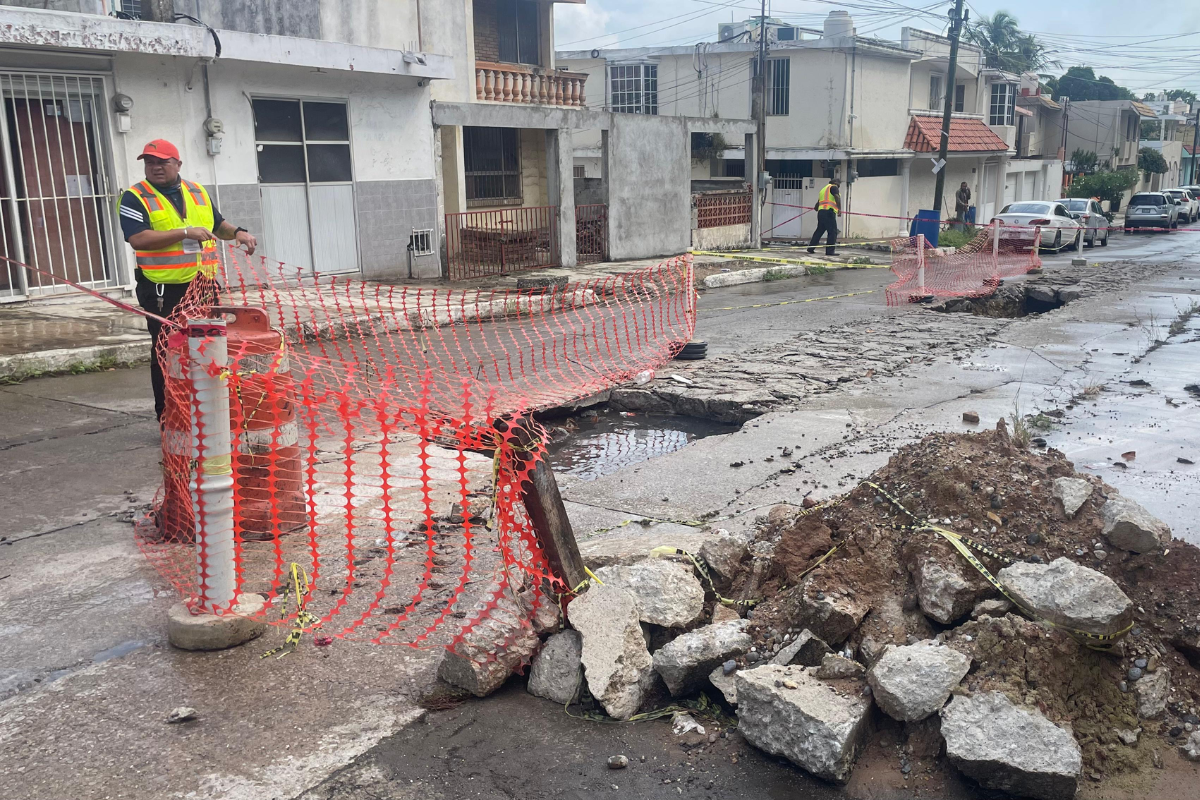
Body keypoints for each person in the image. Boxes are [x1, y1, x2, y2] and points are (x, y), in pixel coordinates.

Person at [119, 139, 258, 421]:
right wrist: (184, 232)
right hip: (163, 291)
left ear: (177, 164)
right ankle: (169, 415)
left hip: (204, 287)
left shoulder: (196, 191)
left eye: (162, 162)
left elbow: (218, 225)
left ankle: (210, 412)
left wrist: (239, 233)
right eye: (150, 162)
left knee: (210, 347)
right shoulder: (135, 196)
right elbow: (138, 238)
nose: (155, 167)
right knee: (167, 352)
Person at [807, 177, 841, 256]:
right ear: (836, 183)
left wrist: (816, 208)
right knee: (832, 232)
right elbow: (837, 197)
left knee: (819, 230)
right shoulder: (834, 187)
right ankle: (830, 251)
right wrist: (839, 209)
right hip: (829, 212)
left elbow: (818, 202)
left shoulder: (823, 190)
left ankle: (811, 248)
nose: (838, 187)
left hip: (821, 212)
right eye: (839, 185)